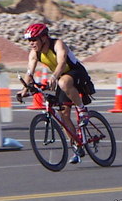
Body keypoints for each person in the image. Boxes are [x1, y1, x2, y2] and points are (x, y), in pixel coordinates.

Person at [18, 23, 95, 164]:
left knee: (63, 83)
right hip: (61, 79)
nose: (31, 43)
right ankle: (77, 146)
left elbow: (61, 63)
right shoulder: (34, 53)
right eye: (29, 40)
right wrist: (24, 90)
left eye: (34, 39)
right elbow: (29, 73)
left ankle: (82, 110)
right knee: (64, 115)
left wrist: (53, 77)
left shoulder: (58, 44)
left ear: (44, 38)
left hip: (76, 73)